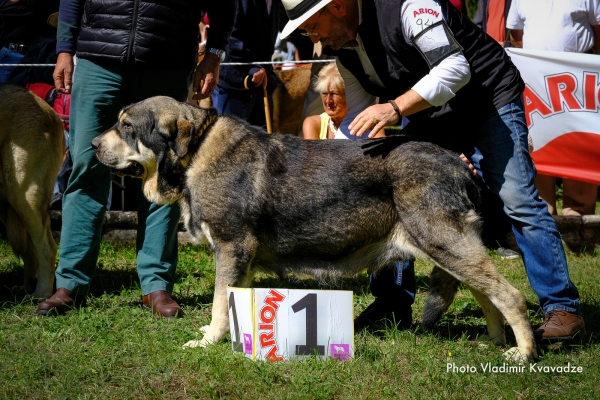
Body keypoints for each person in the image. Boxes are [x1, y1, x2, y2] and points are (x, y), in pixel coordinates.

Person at [280, 0, 585, 340]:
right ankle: (392, 303)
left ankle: (563, 310)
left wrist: (395, 108)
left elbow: (455, 68)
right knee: (387, 189)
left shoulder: (408, 4)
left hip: (487, 101)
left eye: (310, 26)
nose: (312, 38)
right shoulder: (346, 55)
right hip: (430, 114)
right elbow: (356, 125)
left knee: (518, 201)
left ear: (336, 7)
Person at [36, 0, 236, 318]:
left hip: (167, 60)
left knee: (162, 173)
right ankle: (69, 283)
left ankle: (156, 286)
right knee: (87, 167)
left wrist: (214, 54)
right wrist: (64, 48)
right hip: (98, 57)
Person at [507, 0, 600, 217]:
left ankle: (578, 218)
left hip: (579, 83)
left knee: (579, 147)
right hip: (538, 84)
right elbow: (516, 35)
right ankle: (544, 216)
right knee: (539, 148)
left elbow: (598, 32)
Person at [211, 0, 280, 128]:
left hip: (261, 84)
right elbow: (230, 35)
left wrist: (266, 71)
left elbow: (267, 41)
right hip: (235, 84)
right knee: (230, 144)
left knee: (262, 144)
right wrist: (252, 67)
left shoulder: (274, 3)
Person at [0, 0, 60, 82]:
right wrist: (40, 12)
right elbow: (3, 6)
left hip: (40, 57)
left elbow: (52, 7)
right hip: (9, 54)